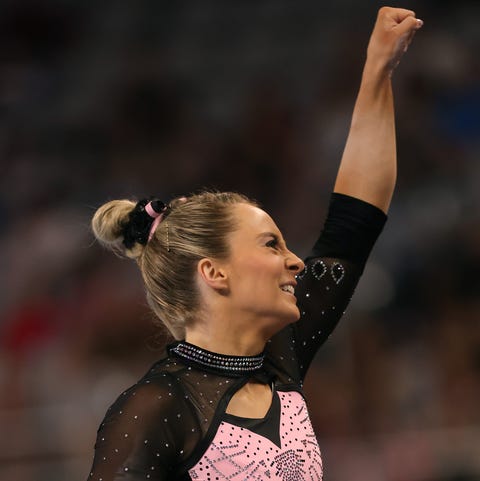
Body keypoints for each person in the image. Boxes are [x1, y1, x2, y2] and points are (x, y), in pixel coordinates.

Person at [87, 7, 423, 481]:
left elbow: (353, 228)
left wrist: (376, 72)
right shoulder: (157, 408)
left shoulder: (279, 361)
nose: (295, 262)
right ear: (214, 272)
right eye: (271, 245)